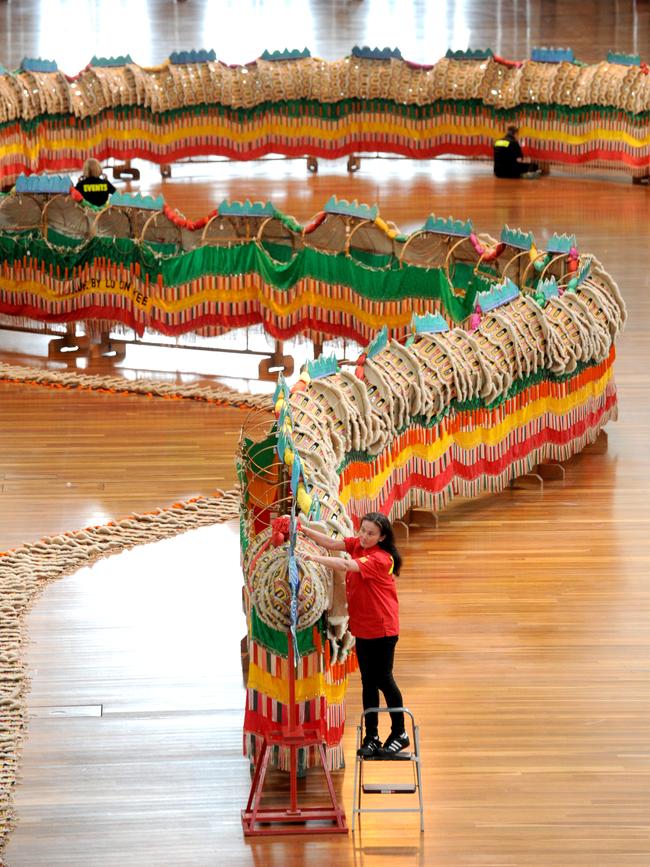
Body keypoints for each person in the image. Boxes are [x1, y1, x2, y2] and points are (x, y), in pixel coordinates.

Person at [301, 512, 410, 757]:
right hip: (362, 629)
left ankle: (400, 732)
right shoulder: (358, 545)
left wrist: (312, 558)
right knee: (368, 682)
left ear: (382, 537)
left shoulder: (382, 559)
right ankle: (371, 736)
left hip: (382, 630)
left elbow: (345, 564)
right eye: (362, 530)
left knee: (384, 679)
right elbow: (330, 542)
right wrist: (304, 531)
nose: (363, 536)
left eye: (371, 533)